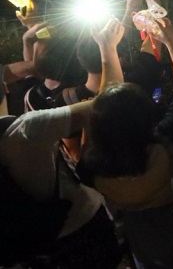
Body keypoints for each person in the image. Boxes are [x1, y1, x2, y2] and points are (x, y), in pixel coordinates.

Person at [80, 13, 173, 268]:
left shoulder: (90, 163)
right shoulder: (163, 140)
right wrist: (172, 42)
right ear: (147, 115)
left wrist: (106, 48)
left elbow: (102, 108)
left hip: (136, 225)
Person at [0, 19, 123, 269]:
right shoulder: (22, 131)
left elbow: (31, 72)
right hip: (77, 231)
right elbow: (109, 102)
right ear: (4, 87)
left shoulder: (30, 101)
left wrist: (29, 43)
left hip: (27, 252)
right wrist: (107, 47)